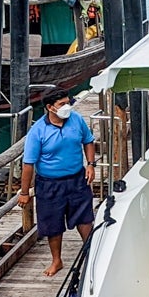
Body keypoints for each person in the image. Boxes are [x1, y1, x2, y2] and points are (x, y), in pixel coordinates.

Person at [17, 89, 97, 276]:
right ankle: (57, 260)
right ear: (50, 108)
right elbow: (28, 164)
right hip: (50, 183)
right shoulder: (38, 131)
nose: (67, 107)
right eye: (62, 104)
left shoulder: (76, 119)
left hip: (77, 178)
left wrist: (91, 164)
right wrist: (24, 191)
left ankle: (92, 253)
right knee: (52, 223)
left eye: (68, 102)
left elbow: (88, 140)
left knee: (84, 217)